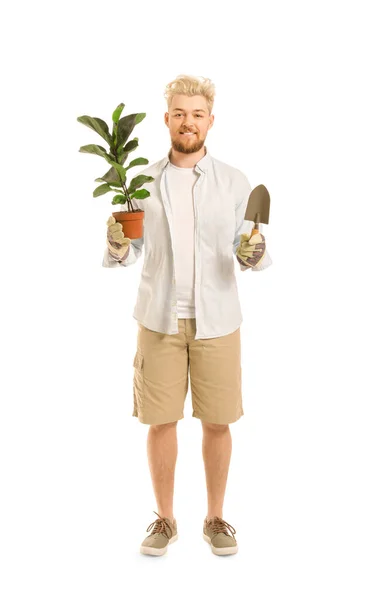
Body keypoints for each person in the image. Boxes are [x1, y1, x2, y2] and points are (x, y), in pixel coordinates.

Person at [103, 74, 272, 556]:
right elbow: (128, 250)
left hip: (218, 321)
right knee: (161, 422)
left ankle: (216, 518)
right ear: (166, 119)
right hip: (158, 321)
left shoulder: (235, 182)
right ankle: (165, 520)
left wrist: (254, 252)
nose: (188, 122)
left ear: (210, 121)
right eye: (179, 113)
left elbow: (250, 254)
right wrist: (116, 245)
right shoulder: (139, 182)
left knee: (218, 422)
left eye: (197, 114)